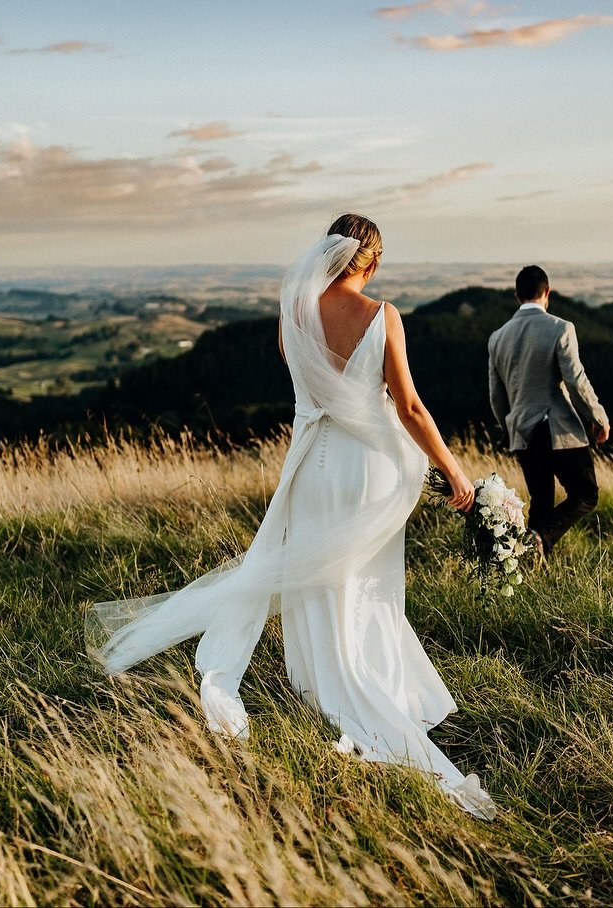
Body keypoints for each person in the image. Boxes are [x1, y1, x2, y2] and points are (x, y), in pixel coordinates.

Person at [85, 214, 495, 819]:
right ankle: (369, 685)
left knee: (316, 579)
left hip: (311, 466)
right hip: (367, 468)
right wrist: (455, 470)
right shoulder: (383, 317)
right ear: (371, 262)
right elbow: (406, 405)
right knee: (367, 581)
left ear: (329, 252)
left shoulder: (292, 316)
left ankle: (322, 684)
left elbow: (309, 386)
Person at [487, 265, 609, 556]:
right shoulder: (560, 328)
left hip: (521, 433)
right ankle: (537, 536)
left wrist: (509, 430)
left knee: (541, 501)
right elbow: (575, 380)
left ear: (517, 296)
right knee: (585, 493)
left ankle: (534, 563)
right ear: (547, 293)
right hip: (554, 429)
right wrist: (598, 418)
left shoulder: (497, 337)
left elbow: (496, 397)